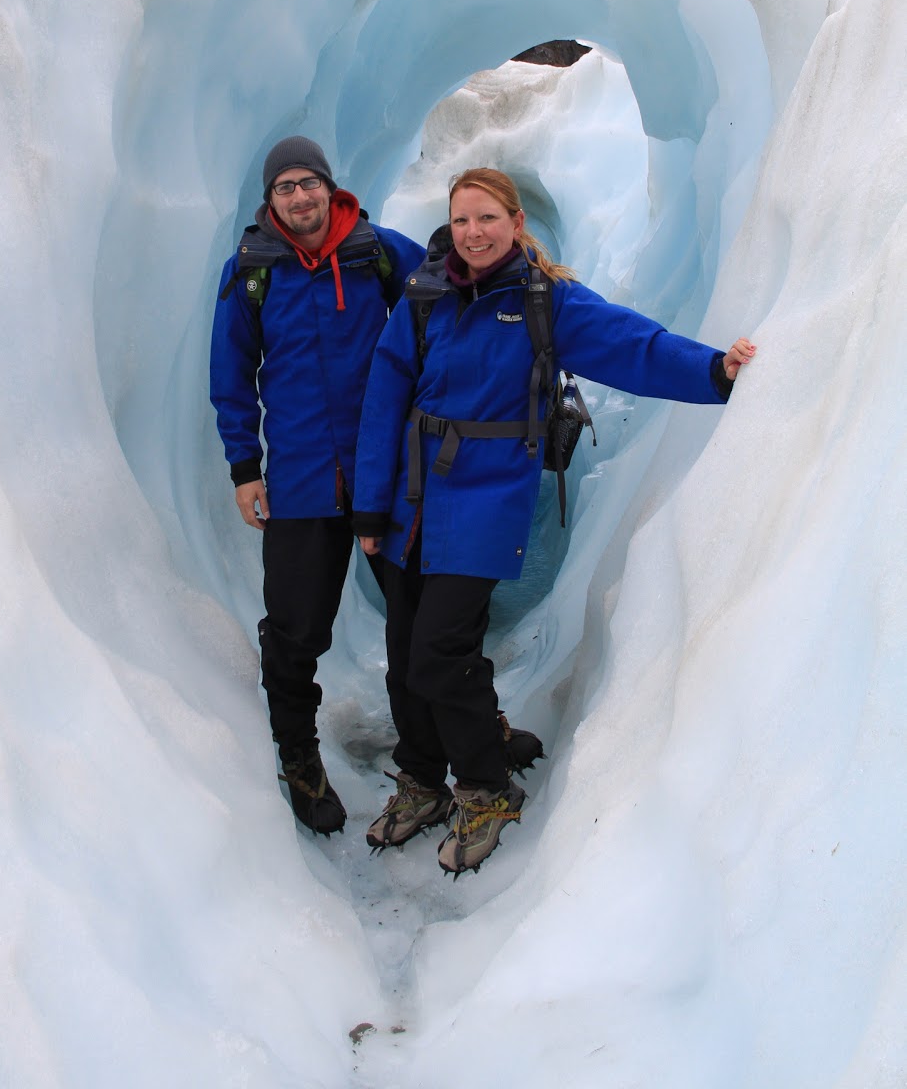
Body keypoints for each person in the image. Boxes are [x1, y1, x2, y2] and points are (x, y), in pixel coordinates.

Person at [353, 167, 756, 876]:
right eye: (461, 220)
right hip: (409, 501)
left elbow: (632, 346)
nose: (473, 233)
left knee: (440, 651)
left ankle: (485, 788)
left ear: (515, 222)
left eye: (487, 218)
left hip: (484, 500)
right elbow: (384, 401)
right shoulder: (423, 296)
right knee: (406, 649)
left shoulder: (544, 301)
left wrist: (713, 372)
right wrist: (368, 506)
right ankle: (420, 779)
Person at [209, 136, 426, 836]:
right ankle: (299, 756)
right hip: (302, 479)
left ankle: (451, 736)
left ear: (329, 188)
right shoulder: (252, 272)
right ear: (269, 198)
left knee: (425, 616)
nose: (299, 196)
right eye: (286, 186)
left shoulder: (375, 251)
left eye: (308, 183)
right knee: (295, 629)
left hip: (385, 471)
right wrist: (244, 468)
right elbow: (230, 374)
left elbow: (448, 293)